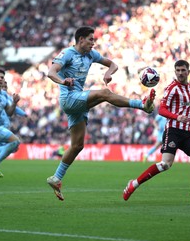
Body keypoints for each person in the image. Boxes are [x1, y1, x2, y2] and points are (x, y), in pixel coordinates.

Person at [46, 26, 156, 201]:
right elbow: (51, 72)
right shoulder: (67, 53)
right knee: (105, 94)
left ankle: (56, 177)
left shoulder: (92, 55)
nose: (93, 42)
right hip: (69, 98)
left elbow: (114, 64)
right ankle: (142, 104)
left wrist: (108, 73)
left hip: (78, 102)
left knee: (77, 145)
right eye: (90, 39)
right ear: (80, 39)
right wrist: (63, 81)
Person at [122, 60, 190, 202]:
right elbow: (162, 109)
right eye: (177, 70)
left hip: (186, 132)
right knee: (165, 164)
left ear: (188, 72)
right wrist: (177, 116)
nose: (180, 73)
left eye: (183, 70)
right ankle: (133, 184)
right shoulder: (172, 88)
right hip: (173, 131)